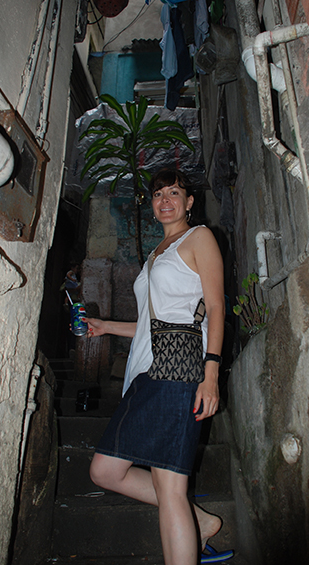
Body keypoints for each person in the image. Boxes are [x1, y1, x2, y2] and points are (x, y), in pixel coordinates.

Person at [85, 168, 225, 565]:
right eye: (158, 194)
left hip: (179, 367)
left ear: (189, 201)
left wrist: (210, 374)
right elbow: (150, 323)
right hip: (146, 371)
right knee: (105, 471)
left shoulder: (199, 238)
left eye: (174, 192)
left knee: (169, 484)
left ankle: (189, 534)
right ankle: (200, 521)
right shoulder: (155, 255)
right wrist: (106, 326)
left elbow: (215, 307)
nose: (165, 200)